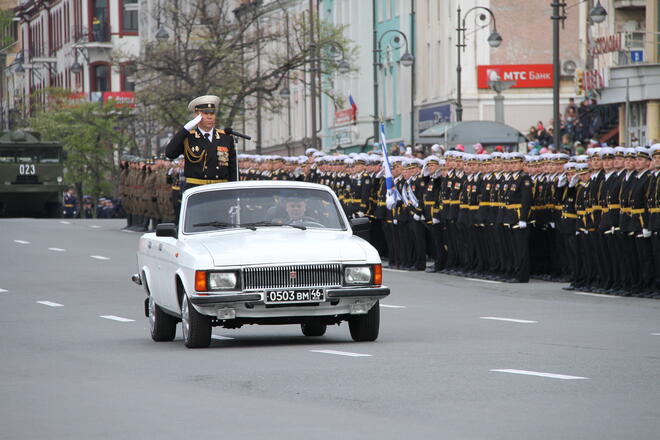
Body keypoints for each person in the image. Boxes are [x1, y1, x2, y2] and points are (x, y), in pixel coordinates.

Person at [165, 95, 237, 191]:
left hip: (220, 189)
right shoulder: (188, 137)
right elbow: (170, 153)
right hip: (197, 189)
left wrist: (234, 190)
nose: (210, 117)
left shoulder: (226, 137)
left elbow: (233, 168)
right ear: (196, 116)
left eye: (212, 113)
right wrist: (185, 130)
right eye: (205, 113)